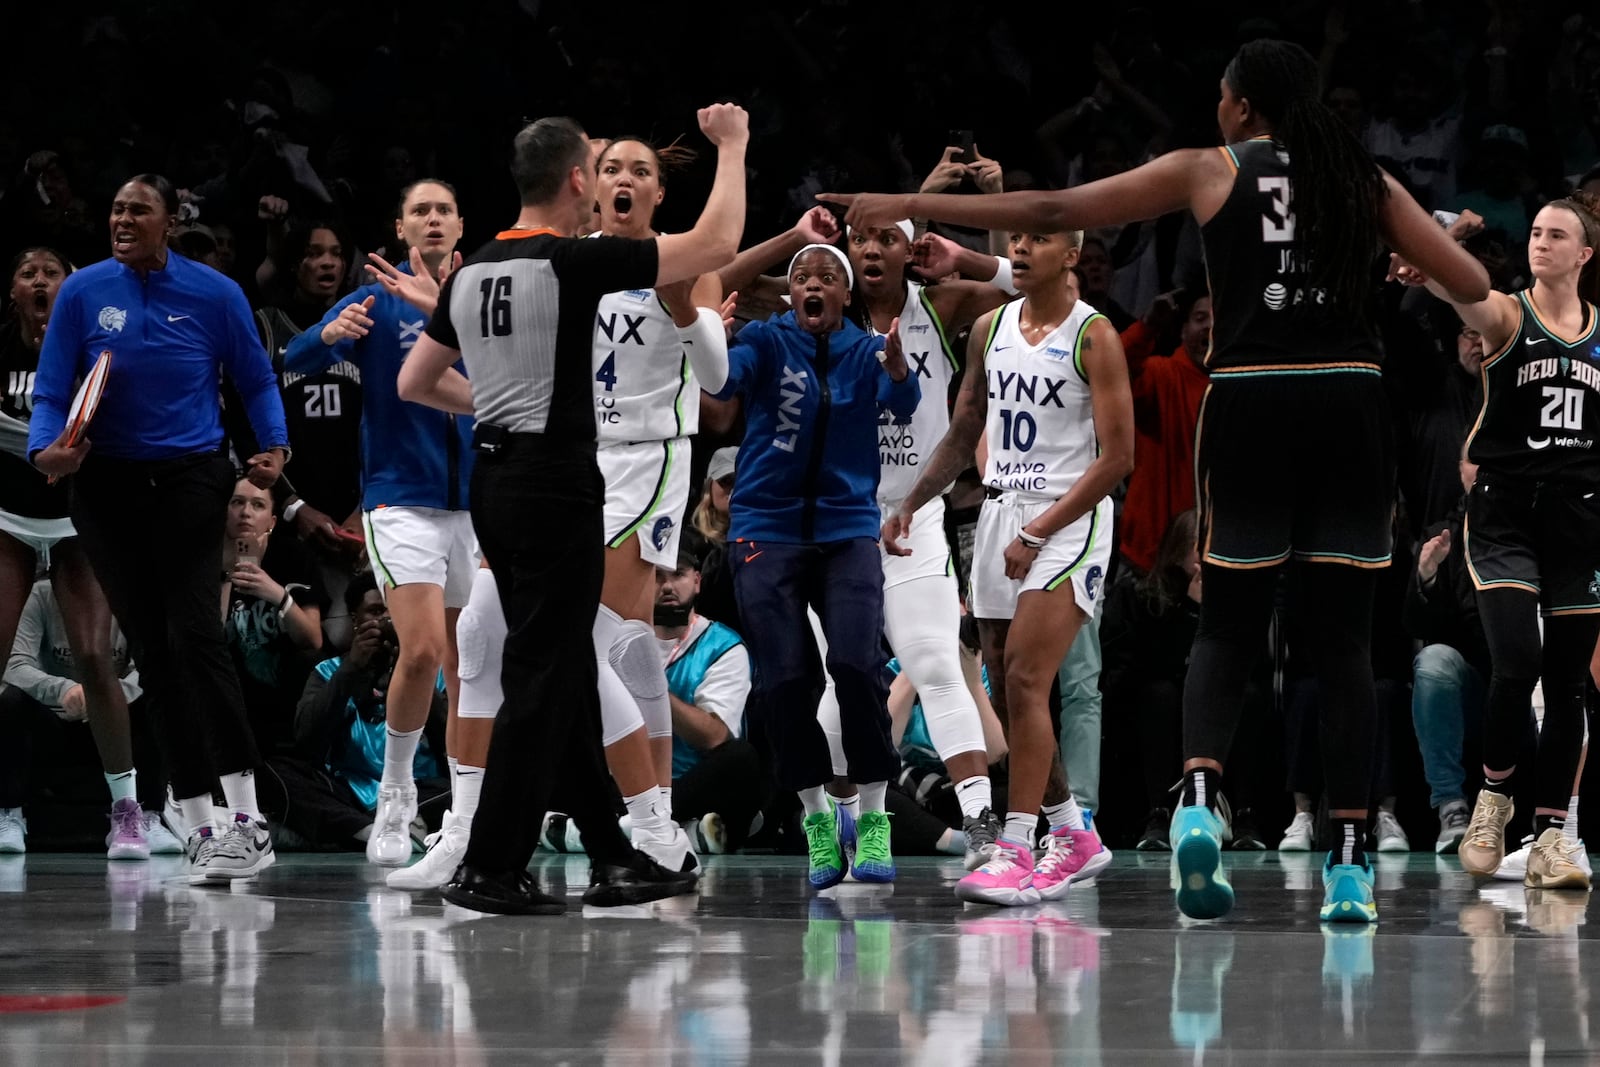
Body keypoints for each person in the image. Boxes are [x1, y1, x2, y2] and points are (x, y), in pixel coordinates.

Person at [830, 37, 1490, 923]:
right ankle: (1347, 858)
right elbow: (1473, 280)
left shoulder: (1211, 169)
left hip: (1253, 401)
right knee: (1339, 646)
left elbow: (1061, 204)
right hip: (1347, 405)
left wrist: (911, 201)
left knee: (1226, 623)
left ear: (1244, 108)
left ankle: (1197, 799)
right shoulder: (1362, 180)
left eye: (1222, 97)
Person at [395, 105, 749, 915]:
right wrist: (732, 147)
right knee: (543, 669)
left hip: (494, 479)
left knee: (555, 663)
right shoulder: (571, 264)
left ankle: (615, 848)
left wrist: (496, 408)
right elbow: (717, 245)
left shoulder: (474, 267)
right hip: (558, 482)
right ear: (578, 181)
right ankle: (491, 860)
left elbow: (414, 382)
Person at [28, 173, 293, 885]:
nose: (121, 218)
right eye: (115, 208)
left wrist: (274, 441)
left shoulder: (215, 293)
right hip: (106, 486)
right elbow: (53, 390)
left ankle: (249, 815)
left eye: (137, 210)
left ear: (168, 222)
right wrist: (45, 449)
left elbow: (256, 378)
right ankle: (201, 822)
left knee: (195, 636)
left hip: (189, 479)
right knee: (151, 649)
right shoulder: (83, 293)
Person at [883, 228, 1133, 905]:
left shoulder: (1094, 335)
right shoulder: (989, 327)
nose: (1021, 248)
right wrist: (912, 501)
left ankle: (1018, 848)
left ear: (1072, 254)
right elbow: (965, 431)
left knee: (1027, 674)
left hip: (1067, 516)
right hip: (998, 511)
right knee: (999, 686)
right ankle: (1072, 830)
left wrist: (1041, 528)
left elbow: (1117, 458)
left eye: (1039, 238)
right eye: (1014, 238)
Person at [1390, 190, 1600, 890]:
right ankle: (1491, 798)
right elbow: (1463, 289)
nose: (1541, 242)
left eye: (1557, 234)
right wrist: (1429, 256)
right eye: (1536, 231)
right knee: (1518, 660)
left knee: (1569, 683)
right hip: (1506, 511)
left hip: (1578, 519)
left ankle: (1550, 837)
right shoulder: (1509, 314)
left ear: (1585, 252)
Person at [284, 180, 479, 873]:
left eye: (443, 209)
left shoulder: (483, 296)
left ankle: (460, 815)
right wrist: (324, 336)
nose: (432, 219)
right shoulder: (376, 297)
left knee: (468, 669)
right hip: (399, 500)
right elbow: (293, 359)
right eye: (419, 210)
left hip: (477, 508)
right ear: (401, 227)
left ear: (460, 225)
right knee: (422, 650)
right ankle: (394, 795)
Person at [711, 243, 919, 891]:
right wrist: (712, 343)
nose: (813, 283)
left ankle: (875, 815)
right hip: (765, 530)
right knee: (784, 679)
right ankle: (817, 818)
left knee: (857, 663)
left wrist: (900, 368)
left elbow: (902, 404)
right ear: (791, 292)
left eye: (828, 276)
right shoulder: (768, 341)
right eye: (802, 275)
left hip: (846, 528)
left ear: (845, 294)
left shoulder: (865, 348)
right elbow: (721, 381)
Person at [809, 221, 1013, 871]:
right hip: (832, 521)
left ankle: (982, 824)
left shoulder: (941, 304)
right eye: (860, 240)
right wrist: (795, 239)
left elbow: (1025, 289)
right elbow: (708, 284)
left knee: (934, 661)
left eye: (886, 239)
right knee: (838, 686)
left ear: (910, 252)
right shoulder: (819, 303)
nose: (872, 250)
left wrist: (967, 256)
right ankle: (839, 821)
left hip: (914, 515)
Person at [585, 135, 734, 871]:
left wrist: (683, 308)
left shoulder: (679, 258)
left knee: (590, 640)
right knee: (632, 645)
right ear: (592, 184)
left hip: (649, 460)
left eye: (640, 171)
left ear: (657, 194)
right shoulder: (571, 258)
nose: (625, 179)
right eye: (613, 167)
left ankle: (646, 820)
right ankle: (662, 820)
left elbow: (716, 376)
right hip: (579, 458)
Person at [1, 245, 179, 859]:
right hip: (8, 520)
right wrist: (44, 445)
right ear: (14, 293)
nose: (41, 282)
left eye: (53, 273)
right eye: (29, 274)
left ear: (71, 289)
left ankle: (127, 812)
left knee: (96, 658)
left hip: (75, 521)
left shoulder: (89, 348)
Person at [265, 573, 449, 851]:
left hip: (419, 789)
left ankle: (349, 828)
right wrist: (350, 670)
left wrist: (413, 672)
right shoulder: (328, 671)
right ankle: (370, 829)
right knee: (272, 770)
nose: (387, 620)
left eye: (394, 611)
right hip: (348, 790)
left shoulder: (433, 669)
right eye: (375, 612)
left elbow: (451, 743)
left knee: (475, 779)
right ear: (355, 620)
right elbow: (306, 743)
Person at [0, 578, 179, 856]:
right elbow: (16, 664)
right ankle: (8, 813)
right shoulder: (42, 594)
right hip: (56, 720)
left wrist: (106, 698)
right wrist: (64, 690)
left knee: (156, 697)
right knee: (11, 700)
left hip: (117, 725)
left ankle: (147, 814)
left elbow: (147, 667)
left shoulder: (129, 596)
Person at [653, 549, 763, 854]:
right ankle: (685, 833)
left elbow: (714, 737)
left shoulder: (723, 646)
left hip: (695, 784)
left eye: (677, 574)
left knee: (741, 759)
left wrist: (654, 690)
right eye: (657, 576)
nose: (667, 586)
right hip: (631, 778)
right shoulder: (622, 639)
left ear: (697, 581)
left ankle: (630, 826)